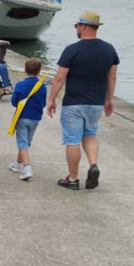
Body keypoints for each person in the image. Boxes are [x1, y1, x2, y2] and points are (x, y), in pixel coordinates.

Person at [46, 10, 119, 190]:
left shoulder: (73, 49)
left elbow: (60, 78)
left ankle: (73, 178)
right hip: (96, 103)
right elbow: (112, 78)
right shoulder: (109, 49)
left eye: (77, 26)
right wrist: (109, 100)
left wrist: (51, 99)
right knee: (90, 134)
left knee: (72, 140)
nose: (76, 29)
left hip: (74, 102)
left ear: (83, 26)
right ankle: (93, 164)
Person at [8, 58, 47, 181]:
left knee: (22, 142)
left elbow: (14, 102)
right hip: (35, 118)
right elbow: (43, 103)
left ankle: (27, 168)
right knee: (26, 142)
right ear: (39, 71)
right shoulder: (42, 86)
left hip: (22, 116)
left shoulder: (20, 85)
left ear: (25, 70)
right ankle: (17, 164)